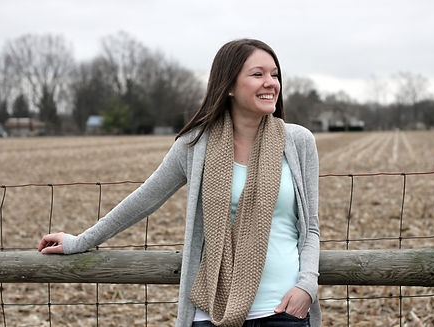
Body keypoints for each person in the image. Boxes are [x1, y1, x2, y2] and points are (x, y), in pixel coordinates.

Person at [39, 39, 320, 327]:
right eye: (258, 74)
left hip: (282, 312)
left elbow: (310, 227)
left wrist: (306, 288)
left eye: (274, 74)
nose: (271, 83)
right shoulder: (195, 146)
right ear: (229, 86)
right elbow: (143, 201)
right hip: (211, 314)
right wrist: (80, 242)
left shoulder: (298, 142)